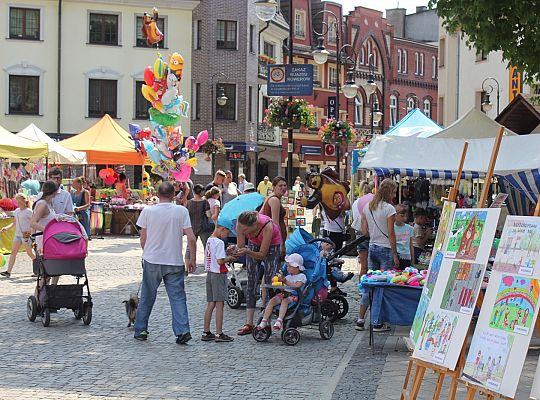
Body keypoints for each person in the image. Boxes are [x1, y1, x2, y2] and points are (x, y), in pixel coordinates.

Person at [133, 182, 197, 344]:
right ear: (173, 194)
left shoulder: (148, 211)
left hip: (152, 259)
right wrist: (193, 259)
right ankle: (182, 331)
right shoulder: (181, 211)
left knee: (147, 295)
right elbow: (191, 237)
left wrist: (145, 252)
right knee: (177, 297)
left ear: (157, 194)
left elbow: (143, 238)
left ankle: (141, 329)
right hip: (174, 260)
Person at [356, 178, 398, 332]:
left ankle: (360, 319)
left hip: (372, 247)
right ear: (389, 192)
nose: (394, 195)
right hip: (385, 249)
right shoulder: (389, 209)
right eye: (394, 192)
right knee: (382, 286)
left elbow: (365, 231)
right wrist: (395, 253)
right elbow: (391, 233)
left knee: (370, 284)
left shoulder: (368, 207)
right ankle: (377, 322)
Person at [235, 211, 282, 335]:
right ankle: (248, 323)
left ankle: (264, 319)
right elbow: (240, 246)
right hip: (254, 244)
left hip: (272, 245)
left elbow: (262, 254)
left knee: (269, 281)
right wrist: (235, 251)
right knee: (251, 280)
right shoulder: (240, 223)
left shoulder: (267, 226)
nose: (243, 232)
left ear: (254, 225)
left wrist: (247, 252)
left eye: (246, 230)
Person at [202, 224, 238, 342]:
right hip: (218, 274)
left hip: (210, 273)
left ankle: (206, 331)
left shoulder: (209, 240)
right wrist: (230, 258)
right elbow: (220, 261)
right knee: (220, 305)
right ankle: (219, 333)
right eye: (227, 233)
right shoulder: (219, 243)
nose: (226, 236)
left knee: (210, 303)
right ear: (222, 229)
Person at [256, 253, 307, 331]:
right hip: (284, 294)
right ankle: (264, 321)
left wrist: (285, 281)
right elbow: (283, 287)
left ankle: (279, 321)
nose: (287, 268)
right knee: (272, 301)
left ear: (297, 267)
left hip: (294, 296)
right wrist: (278, 282)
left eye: (290, 266)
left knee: (284, 301)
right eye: (287, 266)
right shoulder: (288, 276)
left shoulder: (301, 277)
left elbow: (296, 286)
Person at [0, 193, 35, 278]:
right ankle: (8, 271)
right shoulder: (17, 211)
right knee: (13, 252)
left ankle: (38, 270)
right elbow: (14, 223)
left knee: (30, 253)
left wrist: (29, 232)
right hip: (18, 235)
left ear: (24, 201)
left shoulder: (29, 211)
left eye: (19, 201)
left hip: (26, 236)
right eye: (17, 201)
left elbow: (33, 223)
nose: (18, 203)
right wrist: (6, 228)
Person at [351, 182, 374, 280]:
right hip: (370, 233)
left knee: (363, 266)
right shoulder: (373, 201)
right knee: (372, 266)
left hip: (359, 234)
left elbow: (353, 218)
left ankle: (362, 286)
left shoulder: (356, 203)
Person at [260, 176, 287, 258]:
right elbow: (275, 223)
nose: (283, 188)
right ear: (274, 187)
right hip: (273, 239)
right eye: (280, 186)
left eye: (285, 185)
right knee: (273, 266)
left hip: (270, 237)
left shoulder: (271, 197)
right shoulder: (275, 200)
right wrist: (281, 243)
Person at [30, 181, 58, 252]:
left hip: (49, 238)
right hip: (43, 239)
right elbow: (32, 223)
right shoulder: (42, 204)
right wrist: (48, 230)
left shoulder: (48, 203)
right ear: (54, 192)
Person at [186, 184, 213, 252]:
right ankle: (208, 262)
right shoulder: (204, 202)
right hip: (203, 227)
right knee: (207, 248)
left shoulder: (189, 203)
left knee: (189, 248)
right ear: (201, 192)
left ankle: (188, 262)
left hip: (192, 226)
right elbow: (208, 215)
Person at [394, 204, 414, 270]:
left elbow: (410, 245)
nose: (404, 218)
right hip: (396, 255)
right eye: (402, 216)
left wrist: (412, 260)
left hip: (406, 256)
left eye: (405, 216)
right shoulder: (391, 228)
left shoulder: (409, 228)